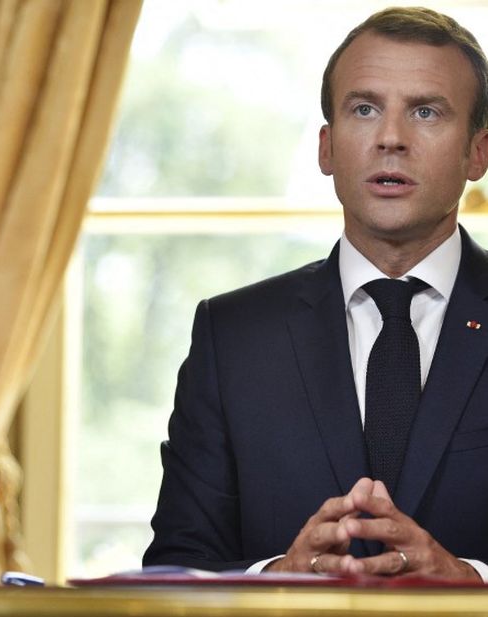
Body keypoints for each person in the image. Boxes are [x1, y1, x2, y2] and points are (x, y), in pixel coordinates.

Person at [143, 7, 488, 581]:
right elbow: (175, 570)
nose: (391, 139)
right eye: (364, 109)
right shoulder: (232, 337)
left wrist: (472, 580)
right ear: (326, 148)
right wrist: (277, 577)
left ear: (478, 152)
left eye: (426, 112)